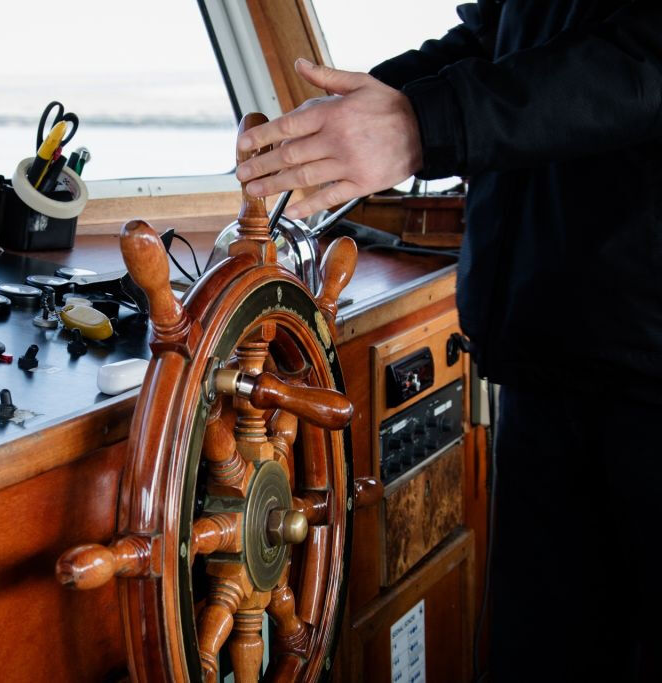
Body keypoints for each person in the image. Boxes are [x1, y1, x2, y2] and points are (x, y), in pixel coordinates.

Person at [236, 2, 662, 681]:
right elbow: (506, 37)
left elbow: (643, 58)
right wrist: (352, 115)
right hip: (549, 360)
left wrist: (422, 126)